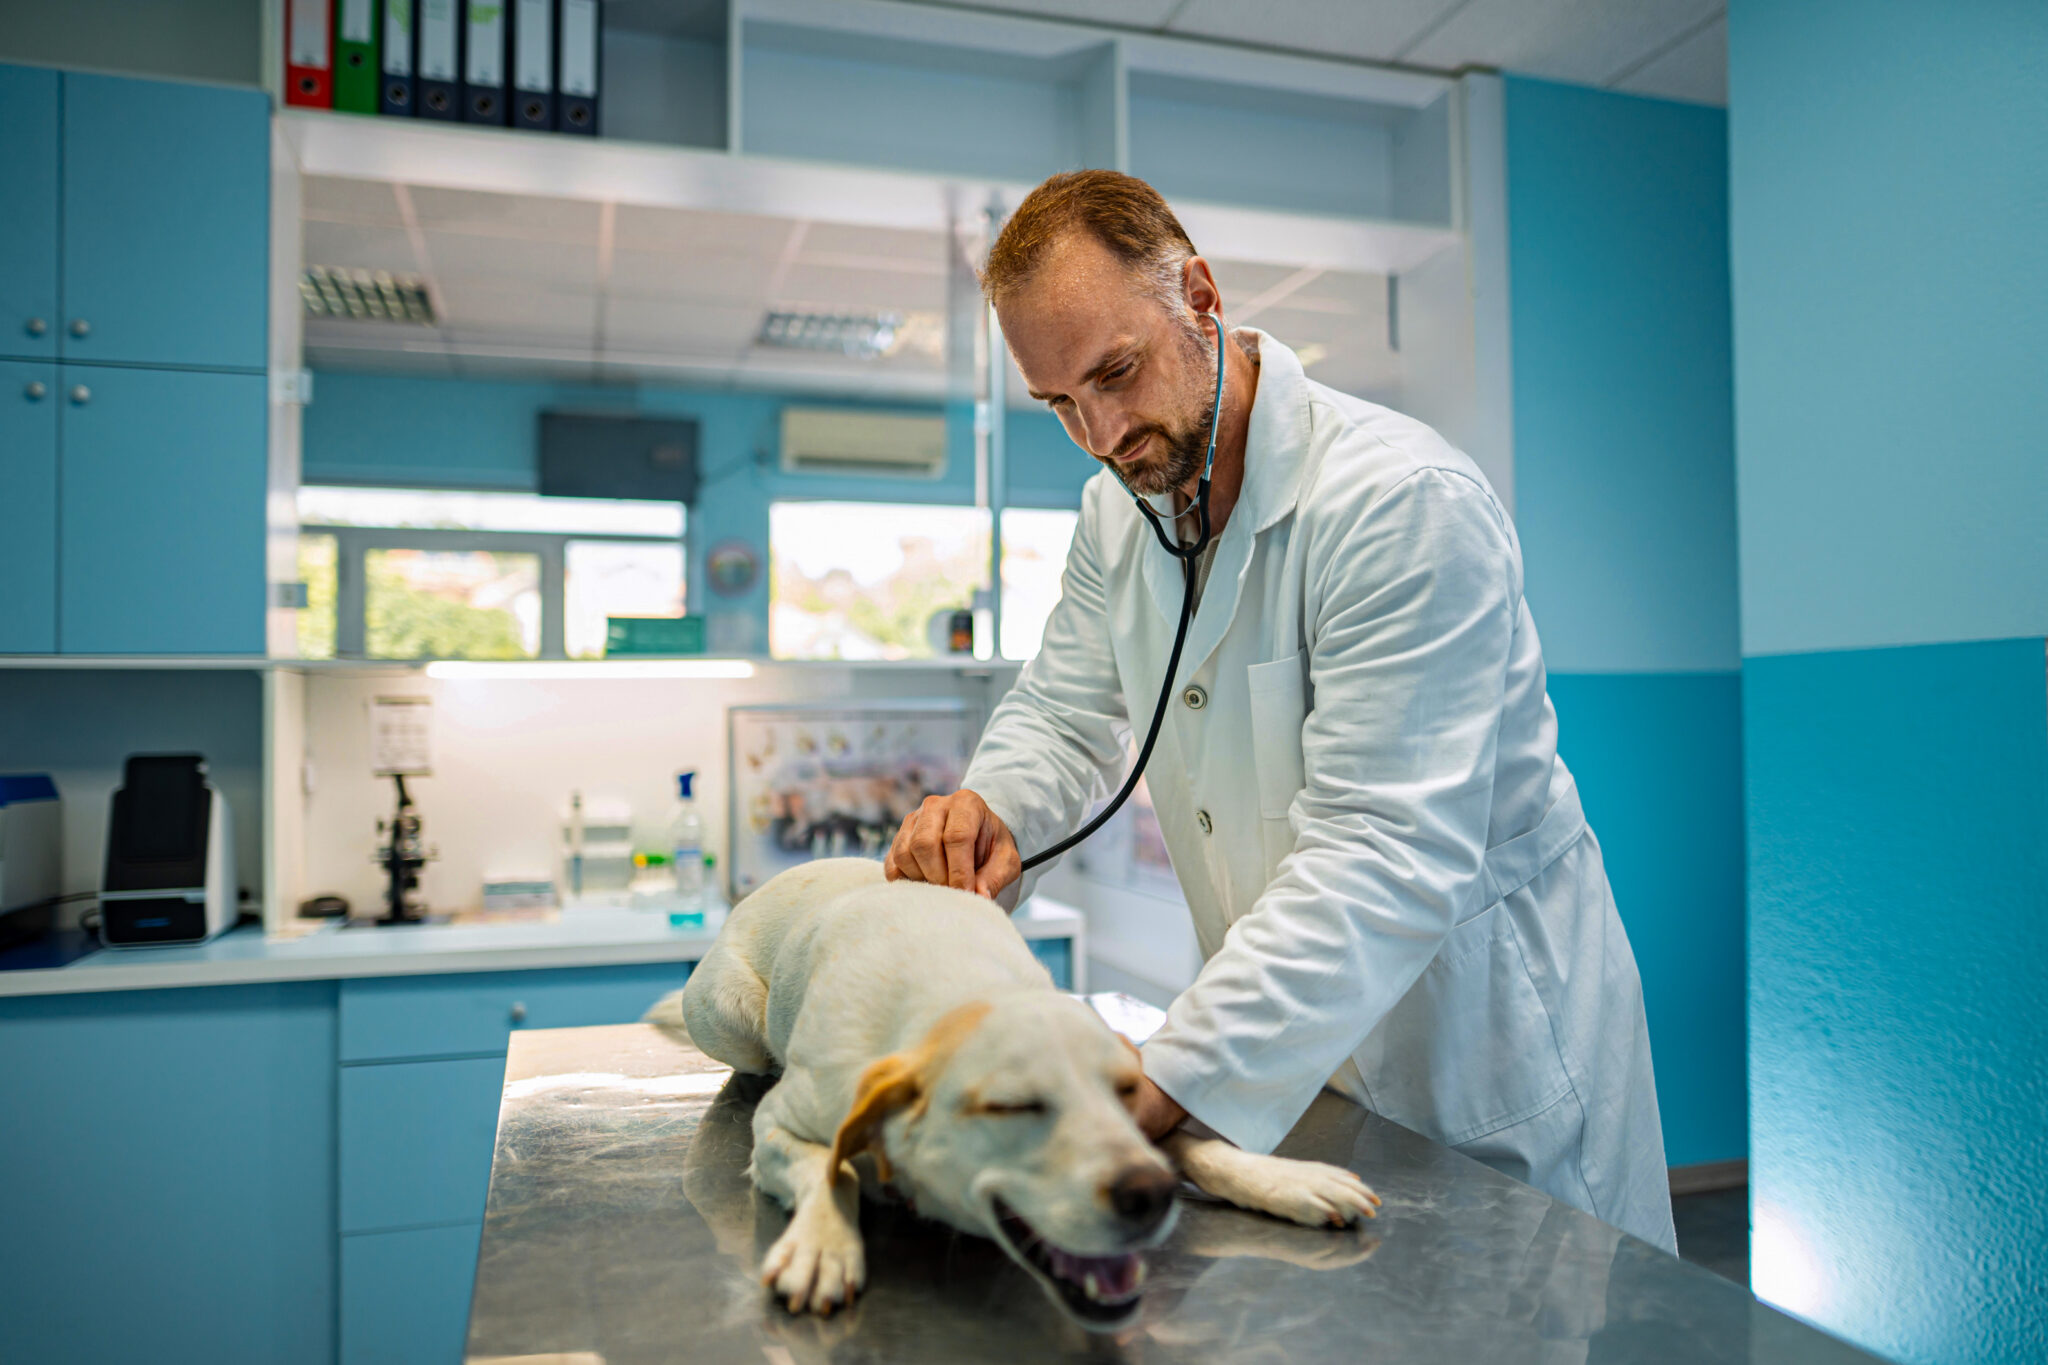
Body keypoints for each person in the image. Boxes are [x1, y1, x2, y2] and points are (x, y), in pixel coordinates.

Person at [883, 170, 1675, 1252]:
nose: (1102, 432)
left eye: (1116, 371)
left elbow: (1383, 846)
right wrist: (992, 813)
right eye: (1059, 403)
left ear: (1198, 295)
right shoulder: (1117, 515)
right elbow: (1064, 715)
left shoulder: (1399, 505)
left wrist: (1173, 1073)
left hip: (1475, 1063)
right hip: (1295, 1059)